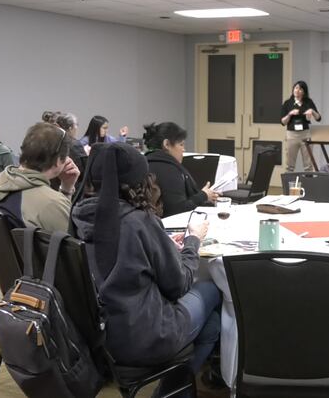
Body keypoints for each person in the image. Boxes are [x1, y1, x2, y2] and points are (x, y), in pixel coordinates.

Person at [71, 142, 221, 392]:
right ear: (138, 182)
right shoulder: (137, 222)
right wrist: (193, 240)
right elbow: (179, 285)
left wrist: (162, 245)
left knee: (212, 324)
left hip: (103, 338)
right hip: (146, 336)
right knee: (212, 289)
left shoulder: (77, 216)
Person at [0, 122, 80, 231]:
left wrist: (66, 188)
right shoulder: (52, 203)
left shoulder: (0, 182)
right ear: (58, 160)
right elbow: (71, 238)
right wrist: (66, 193)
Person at [144, 122, 218, 217]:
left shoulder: (145, 162)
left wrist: (206, 195)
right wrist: (203, 195)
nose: (184, 149)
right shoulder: (170, 170)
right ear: (166, 144)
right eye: (181, 144)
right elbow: (178, 210)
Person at [280, 80, 321, 172]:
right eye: (296, 88)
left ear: (304, 92)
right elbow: (283, 122)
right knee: (289, 165)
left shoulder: (308, 102)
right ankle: (289, 181)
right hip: (292, 135)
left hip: (306, 134)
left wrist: (312, 111)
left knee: (308, 165)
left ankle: (308, 181)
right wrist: (290, 114)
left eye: (300, 89)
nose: (297, 90)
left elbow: (318, 118)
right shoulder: (288, 103)